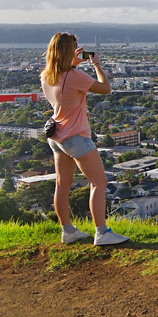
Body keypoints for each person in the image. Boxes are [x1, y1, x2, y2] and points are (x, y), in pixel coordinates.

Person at [40, 32, 129, 246]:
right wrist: (97, 65)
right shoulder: (75, 76)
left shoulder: (46, 75)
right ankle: (102, 232)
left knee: (62, 185)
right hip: (76, 137)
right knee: (99, 182)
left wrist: (73, 64)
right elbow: (105, 88)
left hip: (57, 135)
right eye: (75, 46)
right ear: (69, 51)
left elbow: (65, 91)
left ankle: (68, 231)